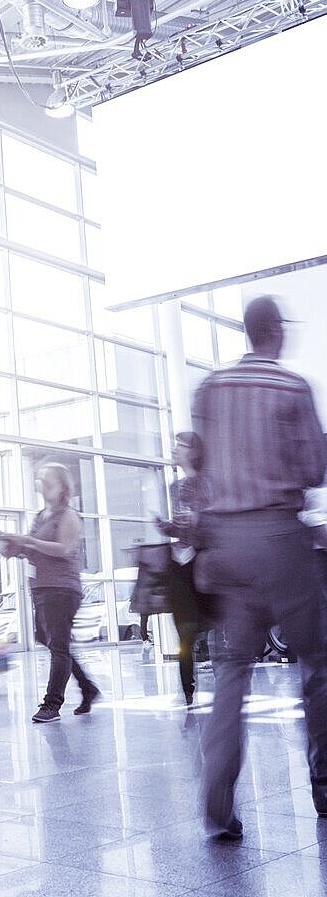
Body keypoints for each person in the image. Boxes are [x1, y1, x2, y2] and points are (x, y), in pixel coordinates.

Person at [192, 295, 327, 839]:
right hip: (280, 540)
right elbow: (314, 469)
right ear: (275, 330)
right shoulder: (291, 387)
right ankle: (325, 787)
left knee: (233, 669)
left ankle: (217, 798)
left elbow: (199, 466)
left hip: (226, 543)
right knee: (316, 664)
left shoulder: (209, 388)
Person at [12, 464, 100, 723]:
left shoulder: (69, 515)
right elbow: (31, 549)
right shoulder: (41, 516)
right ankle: (88, 688)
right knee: (49, 640)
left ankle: (52, 704)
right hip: (41, 587)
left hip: (62, 588)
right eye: (41, 480)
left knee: (58, 647)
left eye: (49, 480)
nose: (43, 484)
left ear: (62, 486)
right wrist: (15, 547)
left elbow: (63, 548)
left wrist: (29, 542)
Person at [154, 431, 210, 705]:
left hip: (204, 561)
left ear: (194, 451)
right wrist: (166, 527)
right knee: (183, 630)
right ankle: (187, 690)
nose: (174, 449)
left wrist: (196, 520)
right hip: (180, 564)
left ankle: (222, 680)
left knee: (204, 626)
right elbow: (180, 526)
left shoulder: (208, 483)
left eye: (180, 445)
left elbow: (215, 520)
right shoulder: (175, 487)